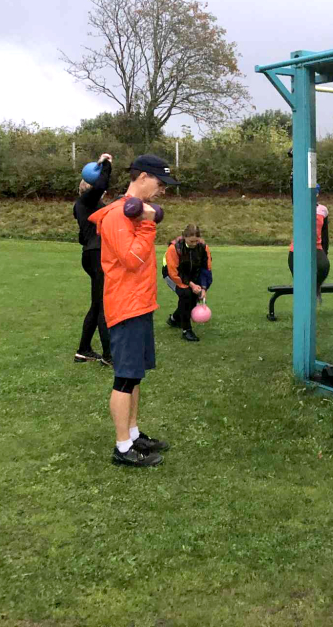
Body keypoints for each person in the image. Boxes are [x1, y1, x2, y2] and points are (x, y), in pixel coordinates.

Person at [89, 154, 179, 468]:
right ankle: (122, 447)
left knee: (135, 375)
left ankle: (133, 432)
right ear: (141, 177)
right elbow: (131, 260)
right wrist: (148, 225)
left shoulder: (134, 212)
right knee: (125, 378)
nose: (163, 190)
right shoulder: (118, 215)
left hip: (140, 304)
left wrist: (145, 221)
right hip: (125, 306)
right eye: (160, 183)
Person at [72, 153, 113, 365]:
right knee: (103, 306)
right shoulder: (86, 201)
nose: (103, 192)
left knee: (97, 305)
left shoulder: (85, 206)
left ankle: (84, 350)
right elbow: (100, 185)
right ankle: (109, 356)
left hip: (91, 254)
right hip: (96, 256)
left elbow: (83, 236)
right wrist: (106, 166)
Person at [163, 224, 213, 342]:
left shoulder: (203, 247)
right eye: (191, 241)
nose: (194, 244)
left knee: (194, 297)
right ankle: (187, 330)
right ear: (184, 237)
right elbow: (174, 272)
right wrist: (191, 285)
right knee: (186, 295)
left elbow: (206, 269)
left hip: (192, 275)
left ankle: (174, 319)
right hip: (172, 275)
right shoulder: (174, 248)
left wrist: (203, 288)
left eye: (196, 241)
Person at [288, 187, 329, 306]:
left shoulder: (323, 210)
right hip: (298, 248)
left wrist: (325, 251)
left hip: (316, 247)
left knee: (324, 266)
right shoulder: (300, 206)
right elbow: (294, 195)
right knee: (300, 279)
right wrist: (292, 180)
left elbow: (325, 233)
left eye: (314, 192)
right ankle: (302, 305)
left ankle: (315, 289)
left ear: (317, 194)